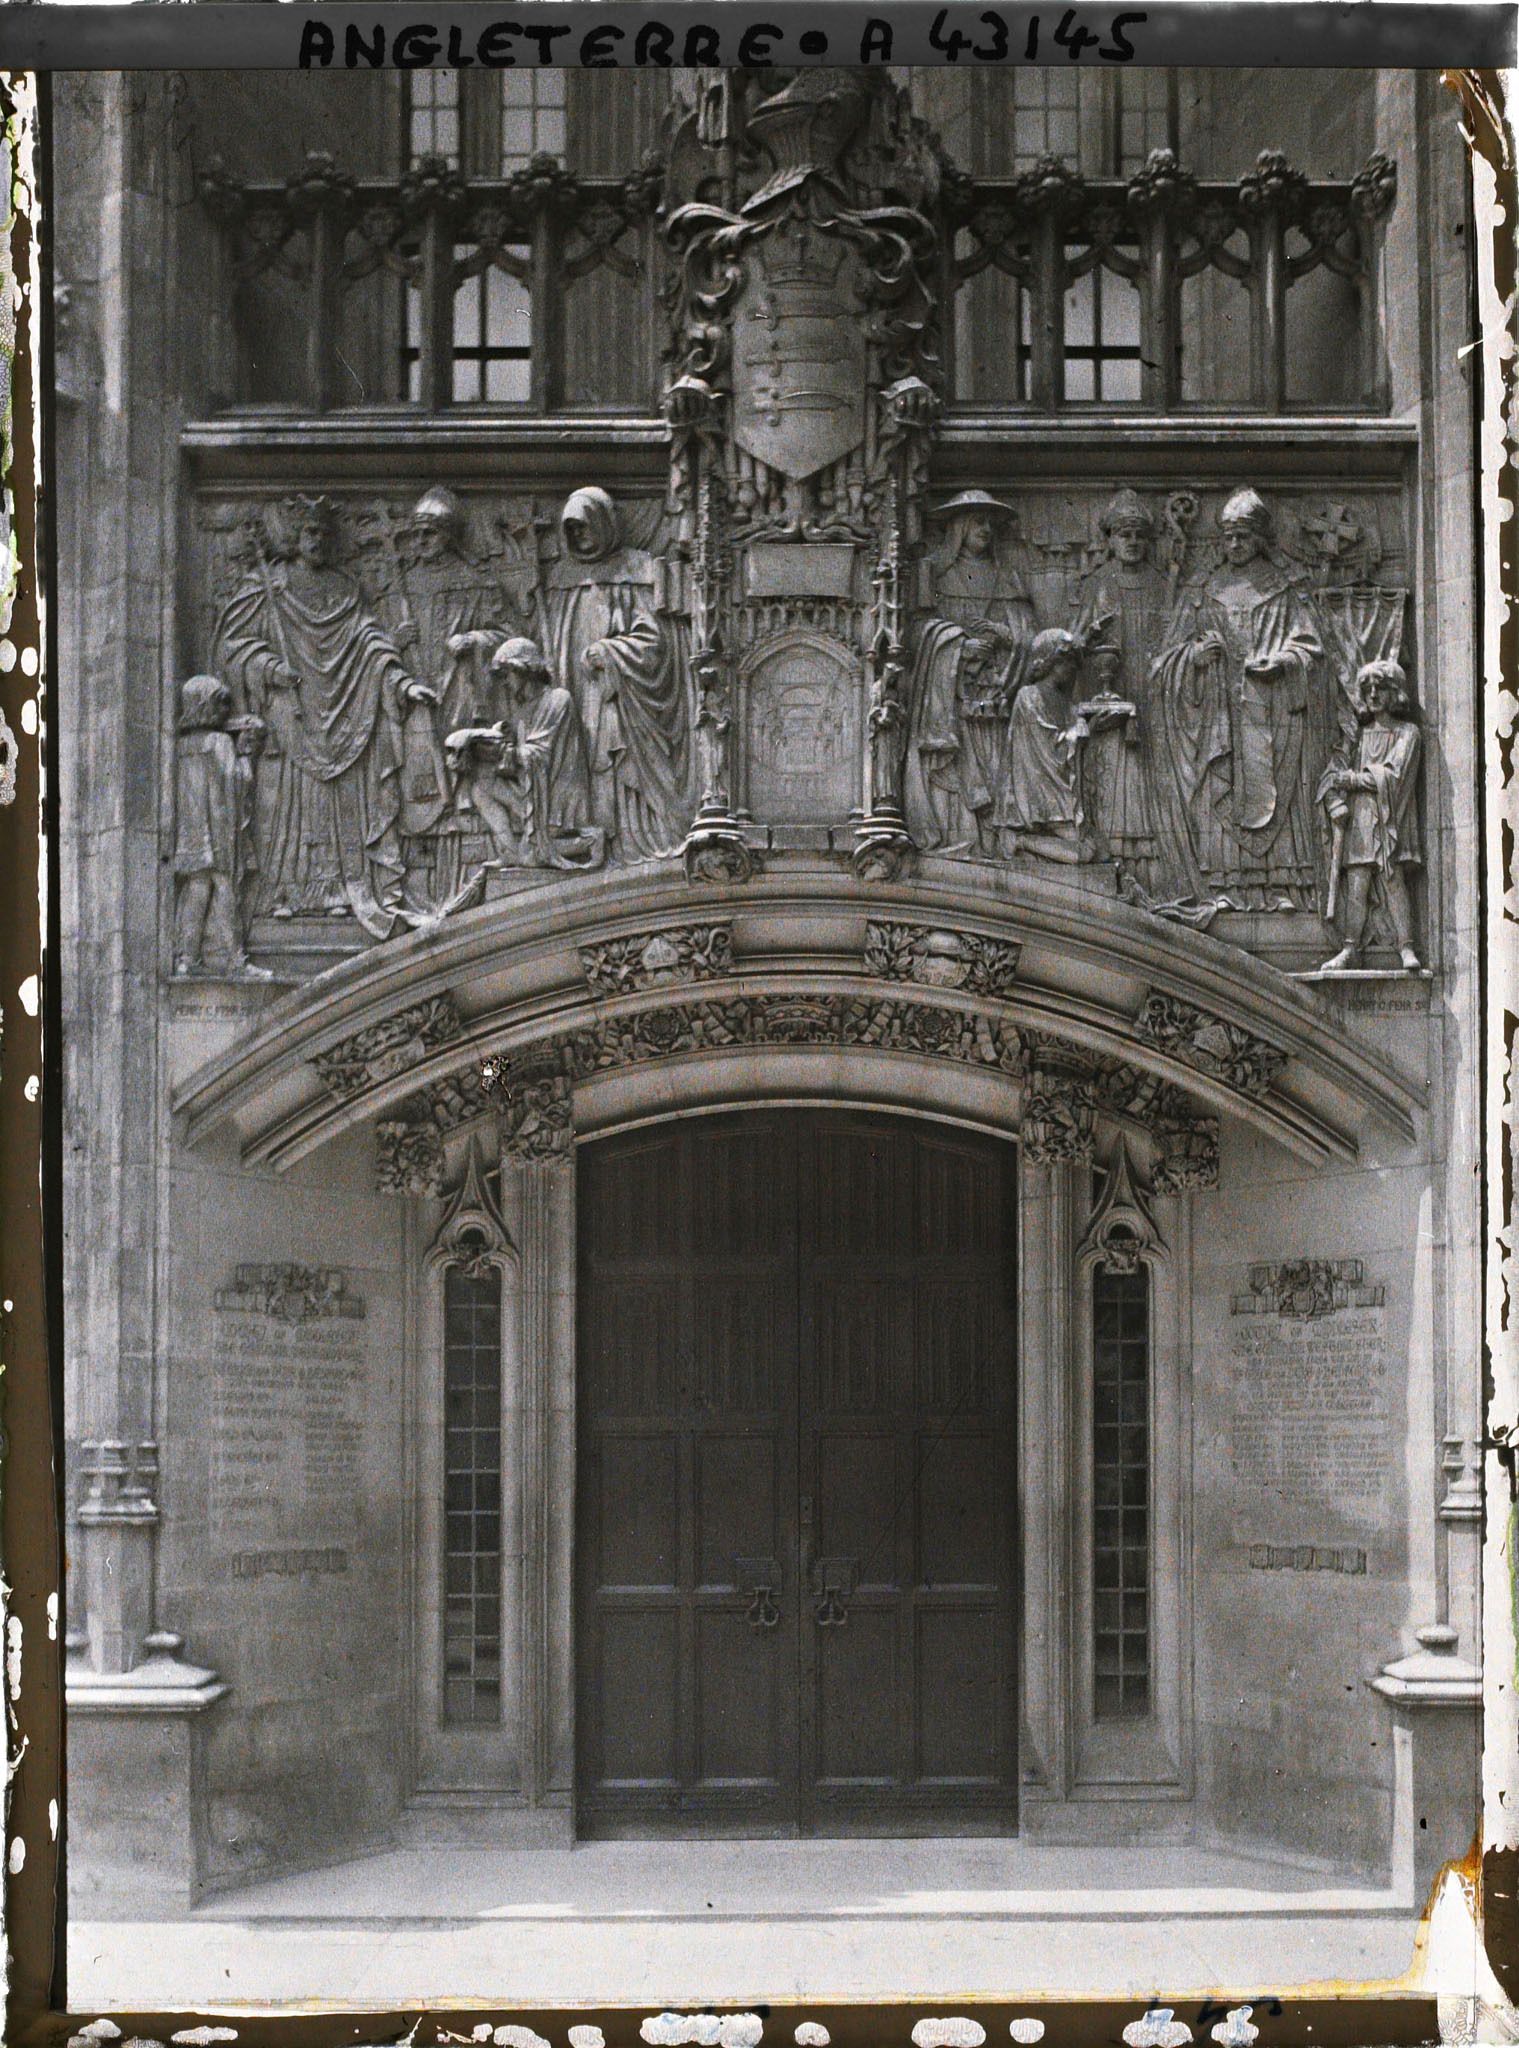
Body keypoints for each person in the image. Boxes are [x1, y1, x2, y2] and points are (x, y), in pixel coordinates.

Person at [213, 495, 438, 936]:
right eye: (310, 532)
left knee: (340, 804)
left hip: (346, 713)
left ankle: (339, 892)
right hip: (291, 715)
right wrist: (268, 666)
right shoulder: (269, 586)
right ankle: (284, 896)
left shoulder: (344, 589)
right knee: (290, 806)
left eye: (324, 533)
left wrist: (401, 679)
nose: (318, 541)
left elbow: (368, 642)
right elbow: (230, 649)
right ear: (293, 537)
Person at [1151, 487, 1324, 911]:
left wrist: (1284, 661)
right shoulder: (1205, 590)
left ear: (1260, 539)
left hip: (1273, 708)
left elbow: (1311, 647)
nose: (1234, 545)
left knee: (1277, 796)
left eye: (1243, 537)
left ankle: (1284, 890)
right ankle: (1226, 888)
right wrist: (1194, 657)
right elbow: (1165, 661)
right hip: (1219, 713)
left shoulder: (1283, 589)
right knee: (1223, 792)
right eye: (1228, 537)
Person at [538, 487, 691, 861]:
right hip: (576, 695)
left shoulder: (636, 570)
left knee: (617, 757)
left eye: (585, 527)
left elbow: (654, 642)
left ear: (605, 524)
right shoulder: (562, 578)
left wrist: (611, 652)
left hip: (620, 697)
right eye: (571, 530)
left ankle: (630, 839)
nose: (579, 537)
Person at [904, 490, 1036, 857]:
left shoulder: (1005, 576)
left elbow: (1028, 633)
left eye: (991, 524)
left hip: (995, 696)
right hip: (950, 699)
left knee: (995, 773)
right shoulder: (933, 573)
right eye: (978, 521)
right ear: (959, 527)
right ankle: (961, 842)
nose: (986, 530)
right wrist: (960, 646)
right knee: (957, 773)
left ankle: (995, 846)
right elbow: (914, 634)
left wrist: (1003, 635)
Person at [1073, 488, 1175, 889]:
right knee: (1115, 780)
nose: (1132, 542)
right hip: (1111, 692)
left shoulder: (1160, 584)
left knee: (1155, 779)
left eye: (1139, 535)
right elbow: (1077, 640)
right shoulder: (1097, 584)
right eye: (1124, 534)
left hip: (1156, 692)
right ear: (1110, 541)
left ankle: (1159, 867)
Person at [1317, 660, 1422, 970]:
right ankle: (1350, 948)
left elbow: (1394, 774)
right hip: (1361, 818)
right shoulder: (1360, 735)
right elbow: (1335, 770)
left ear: (1395, 693)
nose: (1374, 694)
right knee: (1358, 883)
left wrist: (1352, 779)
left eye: (1381, 688)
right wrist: (1337, 795)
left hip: (1390, 815)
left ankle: (1406, 947)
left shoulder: (1408, 732)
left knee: (1393, 880)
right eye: (1368, 689)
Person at [1000, 627, 1129, 863]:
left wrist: (1093, 727)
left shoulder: (1065, 702)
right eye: (1066, 661)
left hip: (1063, 794)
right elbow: (1044, 748)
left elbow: (1072, 739)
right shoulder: (1028, 696)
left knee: (1101, 851)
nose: (1072, 668)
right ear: (1050, 661)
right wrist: (1080, 733)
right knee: (1087, 853)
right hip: (1042, 797)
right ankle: (1019, 841)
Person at [172, 675, 267, 975]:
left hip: (191, 834)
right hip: (219, 831)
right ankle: (235, 960)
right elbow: (237, 783)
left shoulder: (182, 746)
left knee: (197, 891)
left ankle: (188, 959)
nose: (225, 711)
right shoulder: (219, 743)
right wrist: (247, 754)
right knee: (226, 892)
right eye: (220, 704)